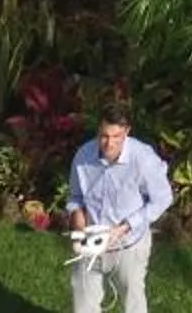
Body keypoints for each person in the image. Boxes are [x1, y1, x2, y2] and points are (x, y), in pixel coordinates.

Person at [65, 103, 173, 313]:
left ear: (127, 132)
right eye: (105, 136)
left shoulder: (143, 158)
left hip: (129, 243)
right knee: (83, 305)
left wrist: (124, 227)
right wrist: (78, 219)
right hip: (91, 240)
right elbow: (76, 197)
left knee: (133, 303)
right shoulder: (83, 156)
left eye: (117, 137)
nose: (109, 143)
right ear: (98, 129)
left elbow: (162, 198)